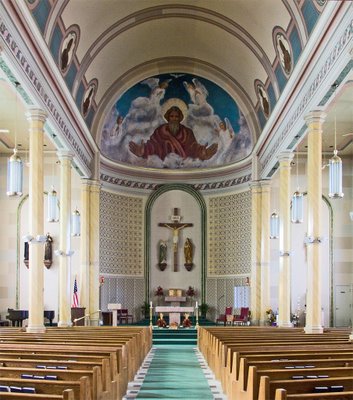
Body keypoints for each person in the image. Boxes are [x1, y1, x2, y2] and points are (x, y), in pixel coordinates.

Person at [128, 106, 218, 161]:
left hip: (183, 169)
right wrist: (143, 151)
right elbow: (153, 146)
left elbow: (193, 148)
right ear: (168, 118)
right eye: (172, 116)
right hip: (161, 169)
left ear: (180, 118)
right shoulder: (159, 131)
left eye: (176, 116)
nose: (174, 119)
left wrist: (202, 152)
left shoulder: (187, 132)